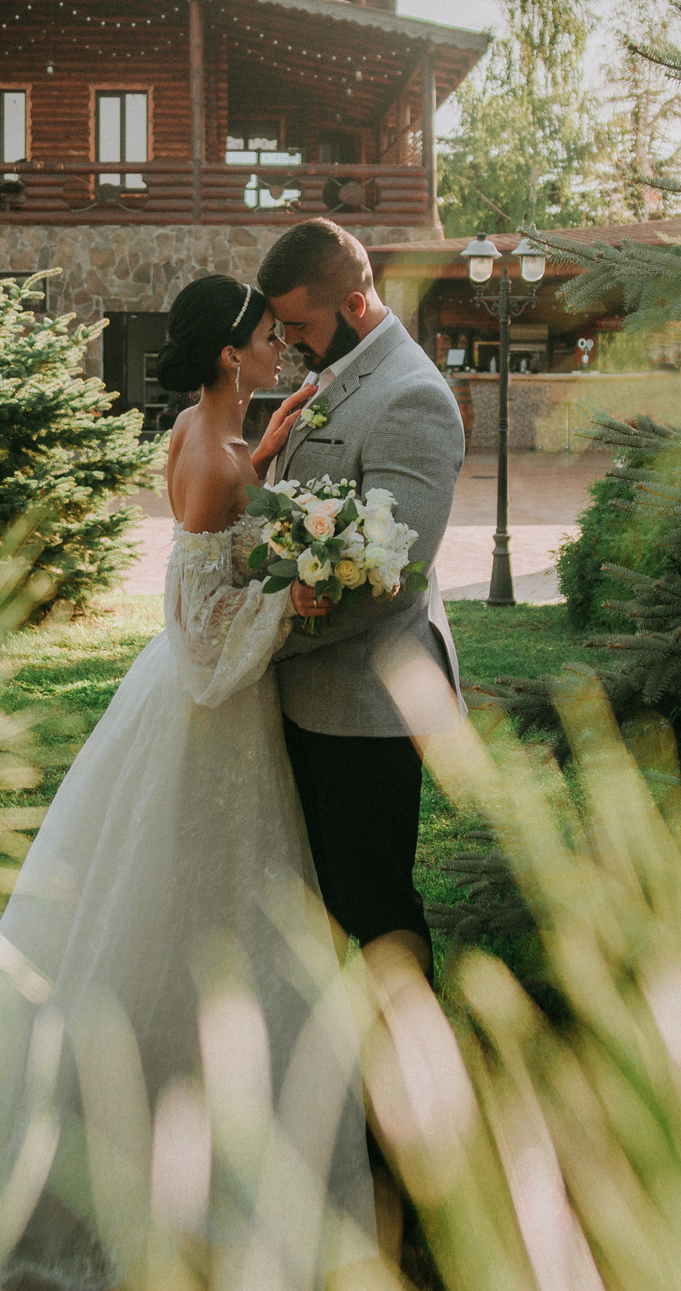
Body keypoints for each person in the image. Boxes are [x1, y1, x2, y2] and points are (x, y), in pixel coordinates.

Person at [0, 274, 371, 1289]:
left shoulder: (216, 438)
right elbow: (202, 641)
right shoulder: (208, 455)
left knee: (190, 911)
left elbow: (236, 487)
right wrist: (298, 602)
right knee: (167, 912)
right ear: (225, 355)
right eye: (263, 342)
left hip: (204, 716)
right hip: (202, 716)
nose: (279, 349)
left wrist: (275, 440)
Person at [255, 218, 466, 988]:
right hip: (310, 697)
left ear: (353, 303)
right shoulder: (332, 378)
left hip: (368, 706)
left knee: (377, 910)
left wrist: (263, 637)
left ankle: (408, 1104)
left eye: (301, 325)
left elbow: (392, 579)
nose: (292, 342)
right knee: (327, 906)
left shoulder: (414, 397)